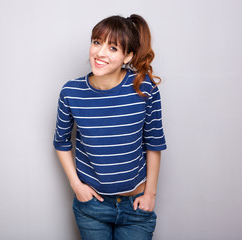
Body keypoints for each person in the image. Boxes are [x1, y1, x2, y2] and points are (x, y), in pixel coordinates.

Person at [53, 14, 167, 240]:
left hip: (135, 206)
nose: (100, 53)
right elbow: (61, 141)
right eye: (97, 42)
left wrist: (150, 193)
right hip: (92, 208)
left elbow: (154, 143)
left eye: (113, 48)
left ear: (128, 56)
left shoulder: (144, 89)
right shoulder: (71, 92)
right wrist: (76, 185)